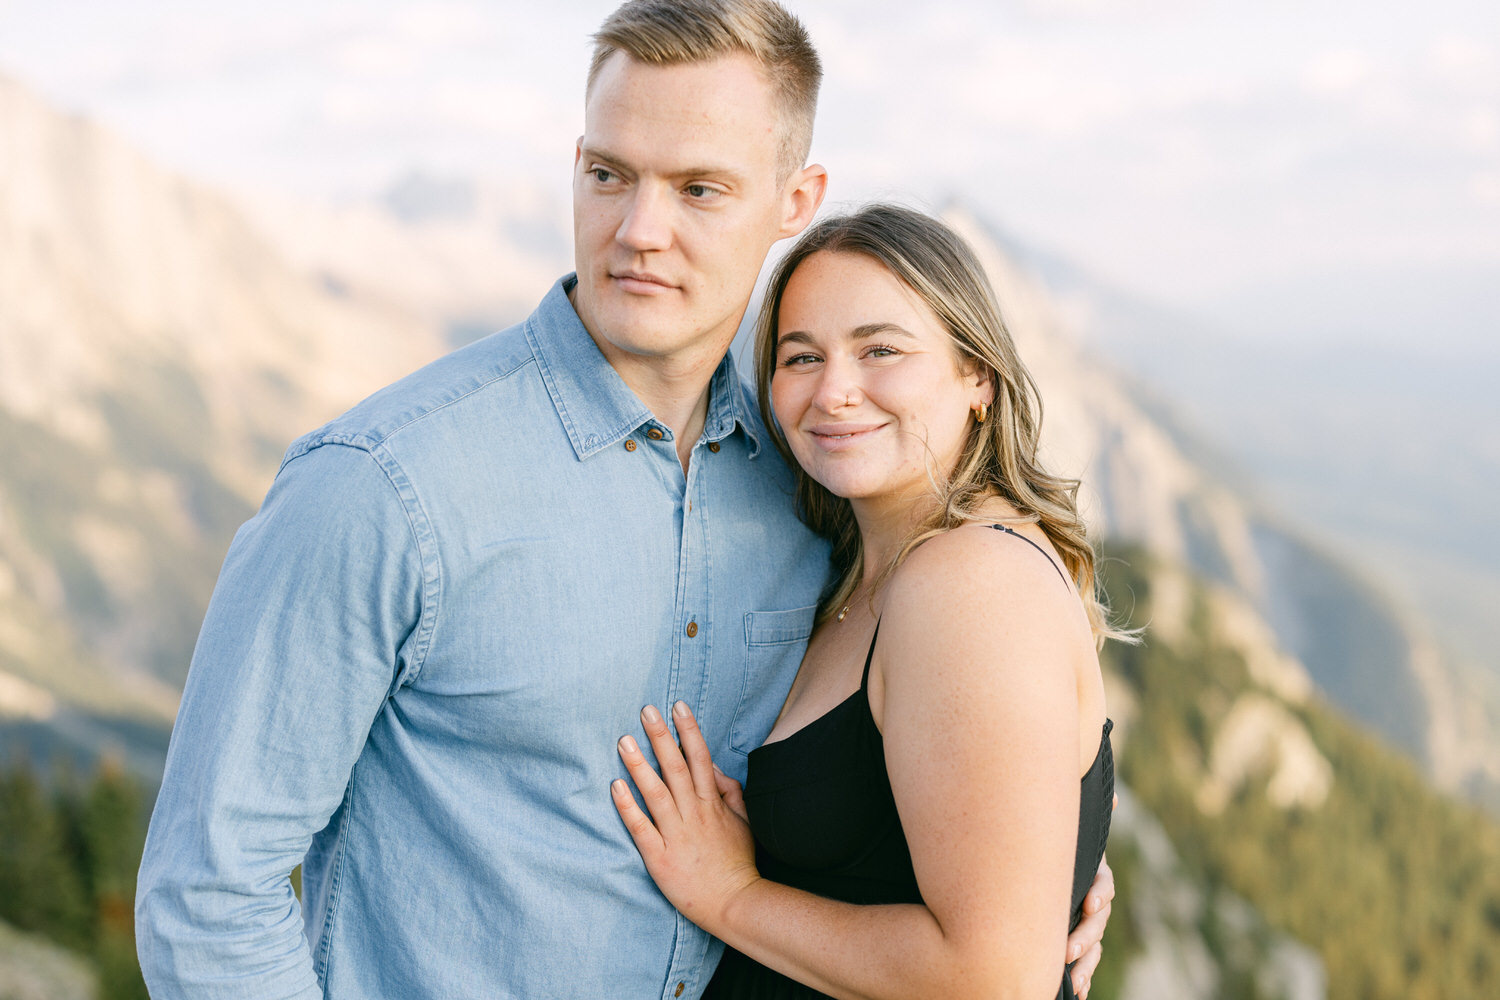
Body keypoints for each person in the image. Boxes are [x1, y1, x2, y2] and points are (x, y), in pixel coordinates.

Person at [134, 3, 1113, 998]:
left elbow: (925, 771)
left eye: (699, 187)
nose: (640, 231)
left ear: (794, 198)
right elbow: (209, 893)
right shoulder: (383, 484)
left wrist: (1039, 854)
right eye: (609, 174)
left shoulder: (809, 471)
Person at [610, 204, 1121, 1000]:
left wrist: (731, 895)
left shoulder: (969, 584)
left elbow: (993, 980)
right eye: (800, 356)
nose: (835, 392)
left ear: (976, 375)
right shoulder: (861, 566)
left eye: (880, 349)